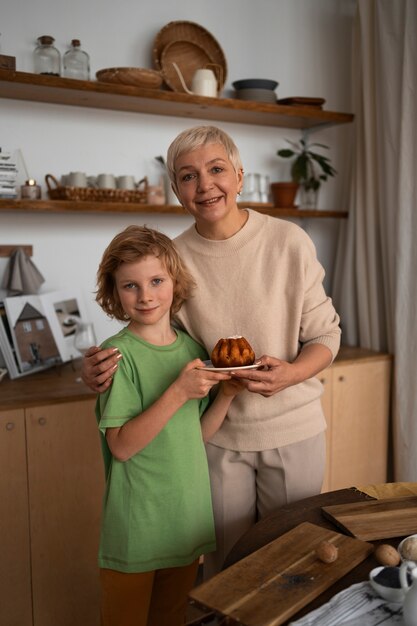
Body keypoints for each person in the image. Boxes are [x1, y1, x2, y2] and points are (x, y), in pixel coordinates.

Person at [82, 125, 341, 580]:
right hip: (214, 436)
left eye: (216, 169)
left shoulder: (288, 241)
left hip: (292, 430)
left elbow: (325, 336)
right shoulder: (174, 259)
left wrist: (291, 374)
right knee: (225, 570)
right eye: (187, 176)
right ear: (176, 190)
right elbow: (156, 337)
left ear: (239, 176)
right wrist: (98, 367)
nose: (205, 185)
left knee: (292, 565)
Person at [94, 224, 243, 626]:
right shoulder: (118, 355)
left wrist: (226, 396)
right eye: (130, 286)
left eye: (156, 281)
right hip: (136, 530)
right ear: (114, 293)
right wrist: (178, 391)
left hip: (183, 523)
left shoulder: (193, 350)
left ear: (175, 283)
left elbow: (193, 438)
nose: (145, 296)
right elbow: (122, 446)